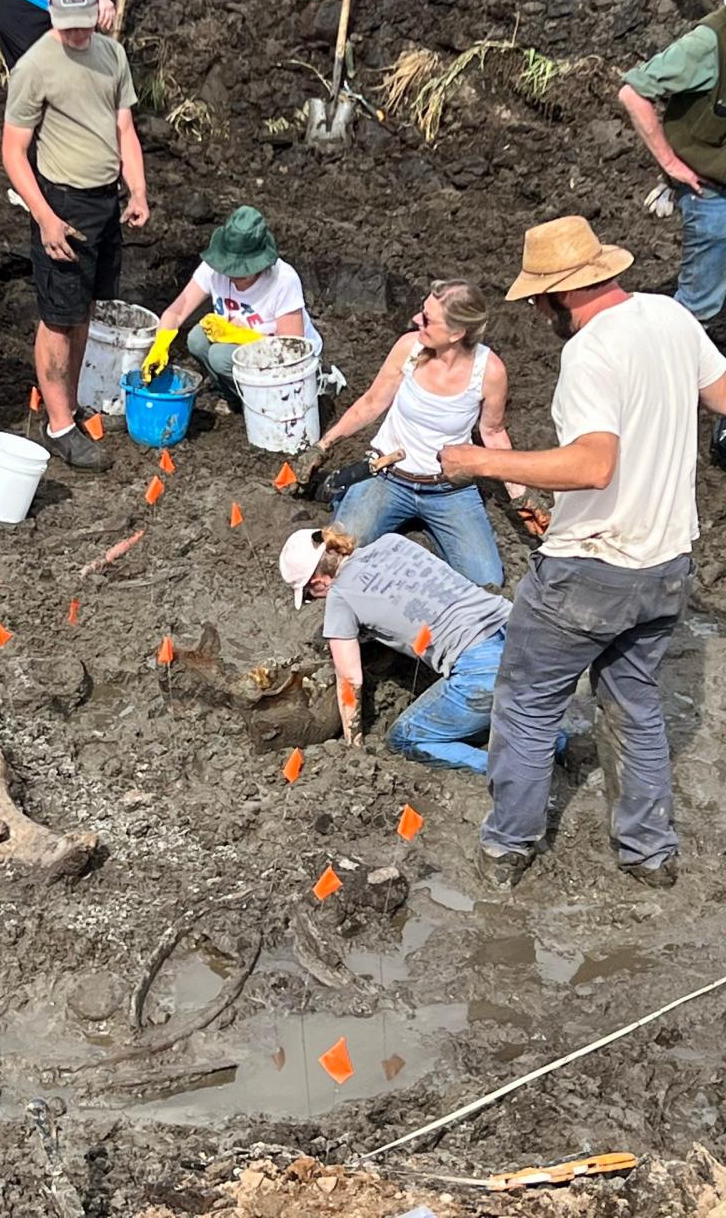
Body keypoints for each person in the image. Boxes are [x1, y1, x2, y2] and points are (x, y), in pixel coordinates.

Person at [440, 216, 726, 891]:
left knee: (528, 702)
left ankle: (509, 845)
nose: (542, 316)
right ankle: (649, 852)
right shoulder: (671, 317)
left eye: (540, 302)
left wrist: (476, 459)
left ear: (557, 296)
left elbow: (596, 465)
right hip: (664, 562)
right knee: (635, 702)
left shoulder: (590, 352)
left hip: (592, 571)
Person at [294, 281, 546, 589]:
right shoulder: (410, 348)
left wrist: (522, 495)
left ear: (456, 333)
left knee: (486, 581)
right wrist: (322, 446)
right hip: (389, 476)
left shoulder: (489, 371)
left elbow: (492, 433)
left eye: (427, 319)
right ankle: (342, 493)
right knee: (332, 564)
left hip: (449, 490)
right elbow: (372, 402)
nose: (416, 320)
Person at [2, 0, 148, 470]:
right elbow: (13, 152)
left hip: (104, 202)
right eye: (68, 24)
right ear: (52, 15)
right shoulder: (36, 66)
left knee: (84, 308)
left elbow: (124, 127)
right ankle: (59, 425)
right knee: (57, 318)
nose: (78, 32)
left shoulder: (112, 56)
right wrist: (43, 216)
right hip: (61, 202)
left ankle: (68, 400)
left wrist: (138, 188)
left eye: (84, 21)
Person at [278, 526, 513, 773]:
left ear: (318, 581)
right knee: (531, 714)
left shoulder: (340, 597)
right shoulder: (392, 542)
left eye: (309, 596)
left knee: (405, 738)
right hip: (522, 630)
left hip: (480, 666)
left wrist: (352, 746)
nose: (316, 600)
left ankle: (511, 771)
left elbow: (349, 680)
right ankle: (556, 742)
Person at [618, 0, 726, 464]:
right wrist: (670, 164)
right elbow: (633, 92)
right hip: (713, 192)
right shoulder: (708, 44)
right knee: (698, 307)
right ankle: (658, 403)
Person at [141, 206, 323, 411]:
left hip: (284, 368)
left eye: (242, 272)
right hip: (243, 354)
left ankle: (265, 406)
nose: (232, 276)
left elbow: (292, 351)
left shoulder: (283, 280)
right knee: (197, 339)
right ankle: (234, 397)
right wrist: (159, 346)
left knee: (220, 356)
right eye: (228, 269)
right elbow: (175, 313)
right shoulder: (213, 269)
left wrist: (244, 336)